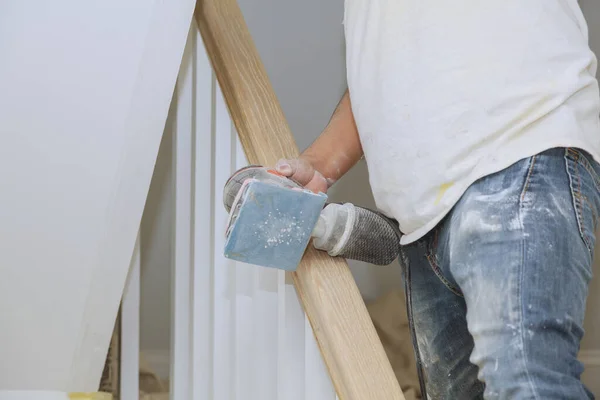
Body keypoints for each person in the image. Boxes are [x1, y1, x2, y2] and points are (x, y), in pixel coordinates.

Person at [273, 1, 600, 399]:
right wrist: (319, 164)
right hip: (419, 223)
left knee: (526, 384)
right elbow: (383, 79)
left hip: (515, 151)